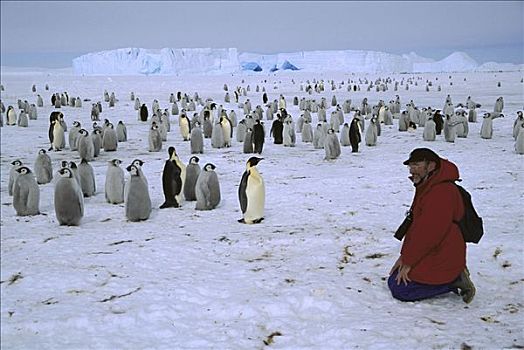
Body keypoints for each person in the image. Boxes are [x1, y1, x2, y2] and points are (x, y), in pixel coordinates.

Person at [388, 148, 476, 303]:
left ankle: (454, 280)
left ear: (431, 166)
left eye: (416, 165)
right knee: (395, 278)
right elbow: (417, 227)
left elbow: (429, 233)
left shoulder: (441, 192)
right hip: (435, 249)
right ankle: (452, 276)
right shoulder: (428, 185)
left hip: (444, 251)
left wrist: (408, 262)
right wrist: (404, 257)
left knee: (401, 289)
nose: (412, 169)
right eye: (410, 166)